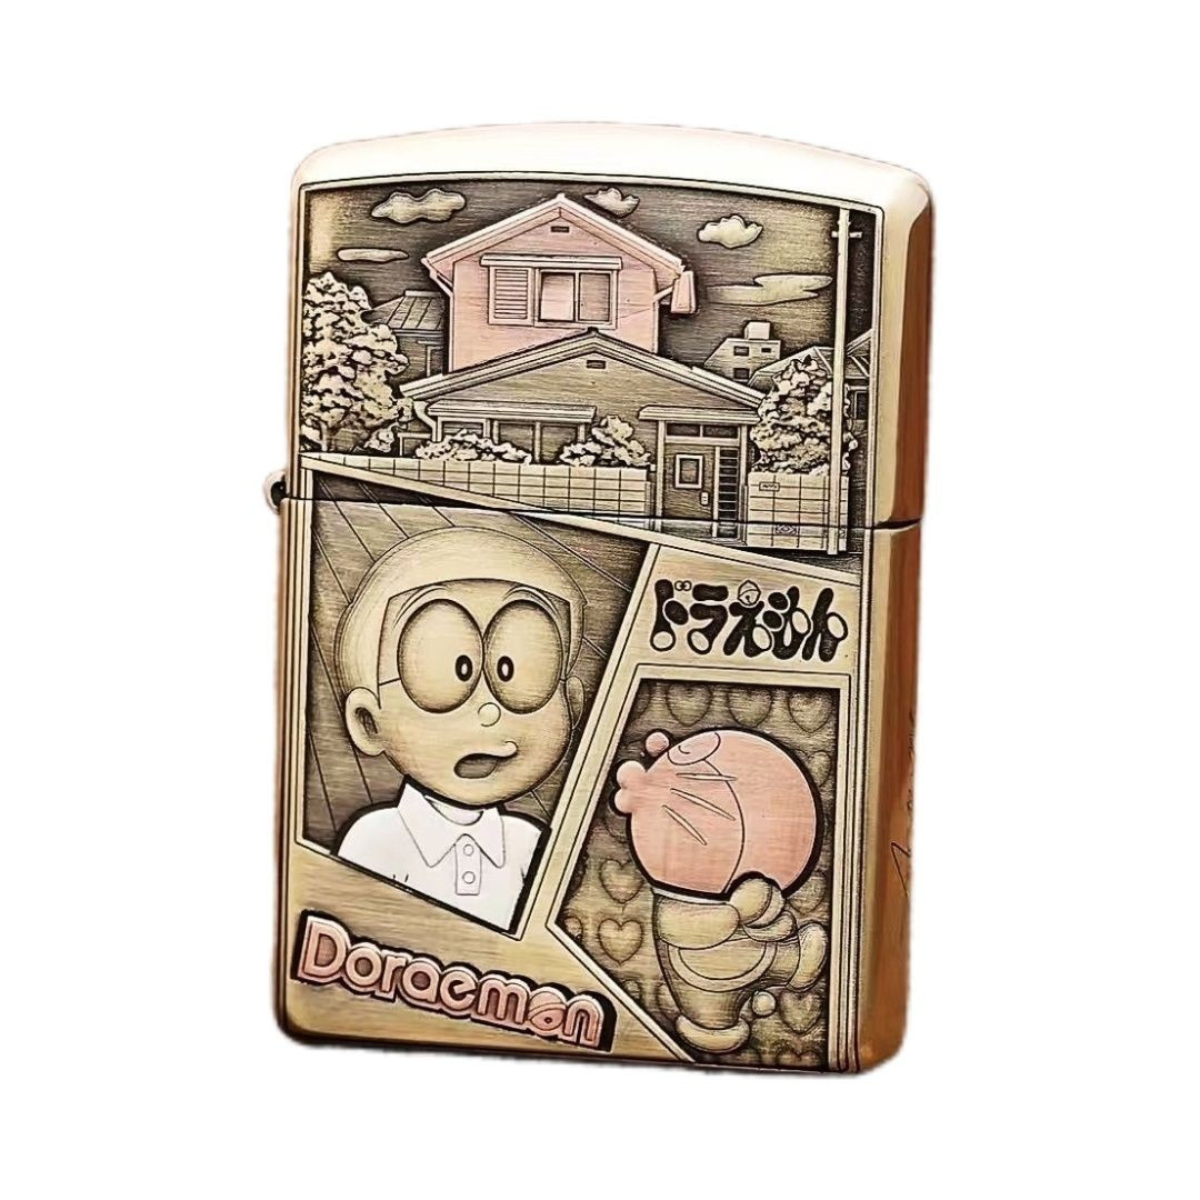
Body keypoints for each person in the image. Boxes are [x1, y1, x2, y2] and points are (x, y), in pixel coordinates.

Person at [334, 526, 586, 930]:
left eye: (519, 670)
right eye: (449, 671)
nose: (487, 712)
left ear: (571, 705)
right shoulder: (375, 840)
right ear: (368, 722)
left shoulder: (530, 845)